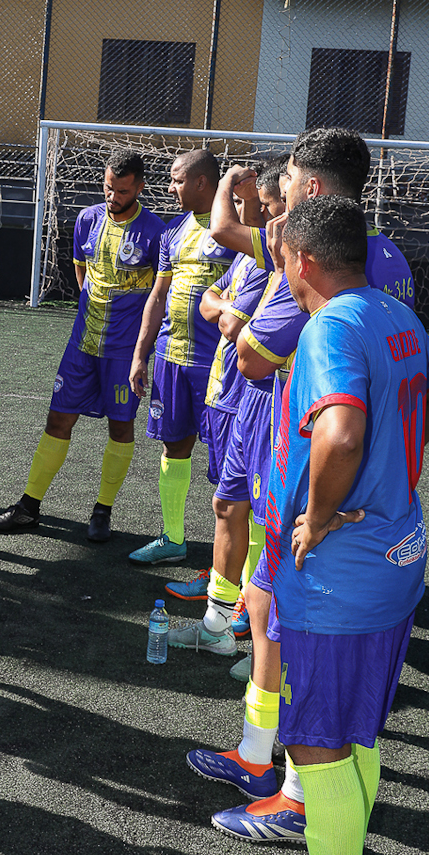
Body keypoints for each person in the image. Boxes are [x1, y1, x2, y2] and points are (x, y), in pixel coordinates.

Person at [241, 195, 429, 855]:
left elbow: (341, 430)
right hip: (396, 558)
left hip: (342, 580)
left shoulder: (329, 324)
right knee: (357, 733)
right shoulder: (392, 312)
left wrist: (320, 515)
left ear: (301, 260)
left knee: (320, 740)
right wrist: (392, 474)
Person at [185, 128, 416, 839]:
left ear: (312, 189)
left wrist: (317, 511)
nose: (278, 188)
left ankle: (292, 794)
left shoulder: (322, 282)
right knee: (262, 604)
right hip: (380, 514)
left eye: (287, 175)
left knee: (290, 641)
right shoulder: (392, 262)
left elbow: (256, 359)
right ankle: (264, 758)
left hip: (324, 499)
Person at [0, 149, 164, 542]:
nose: (111, 196)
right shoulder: (87, 219)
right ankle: (29, 506)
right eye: (107, 187)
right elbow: (81, 272)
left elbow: (158, 294)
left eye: (120, 190)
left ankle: (102, 510)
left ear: (139, 187)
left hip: (123, 352)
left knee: (121, 428)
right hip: (81, 345)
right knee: (57, 420)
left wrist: (138, 347)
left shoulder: (155, 232)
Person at [165, 158, 289, 610]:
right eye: (238, 201)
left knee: (252, 509)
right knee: (228, 503)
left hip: (249, 399)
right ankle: (228, 589)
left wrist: (222, 308)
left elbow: (229, 324)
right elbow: (207, 303)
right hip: (225, 393)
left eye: (258, 203)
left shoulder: (267, 262)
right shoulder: (248, 258)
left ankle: (244, 602)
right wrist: (220, 306)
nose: (244, 210)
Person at [127, 149, 239, 564]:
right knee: (174, 447)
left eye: (176, 180)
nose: (170, 188)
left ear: (202, 183)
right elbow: (157, 297)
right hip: (171, 360)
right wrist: (141, 355)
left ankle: (230, 559)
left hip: (220, 369)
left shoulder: (237, 232)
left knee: (230, 463)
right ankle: (173, 538)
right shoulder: (173, 231)